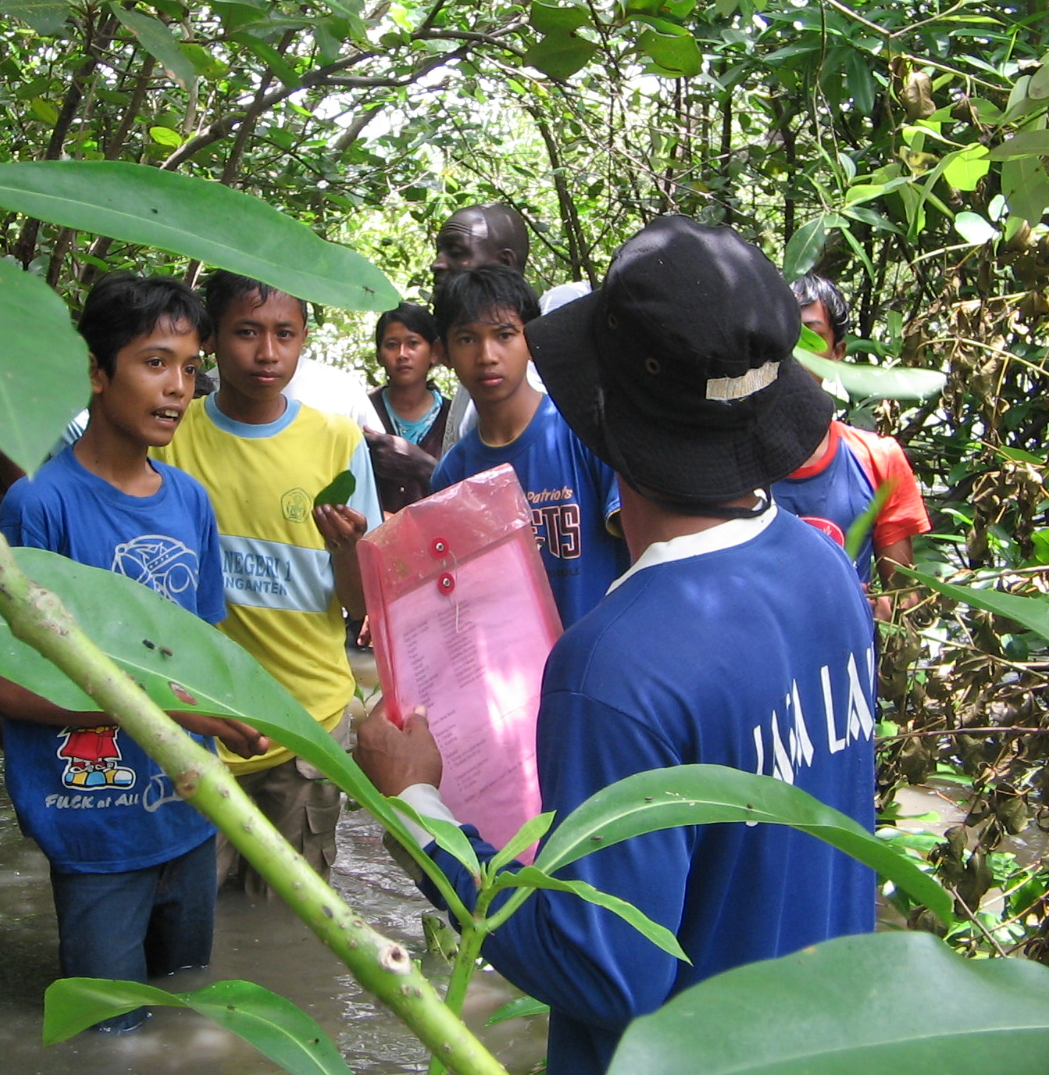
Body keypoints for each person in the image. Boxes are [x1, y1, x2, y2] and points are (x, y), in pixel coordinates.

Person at [355, 216, 879, 1075]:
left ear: (605, 422)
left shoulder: (613, 667)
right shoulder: (824, 570)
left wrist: (418, 810)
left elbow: (601, 968)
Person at [0, 275, 267, 1032]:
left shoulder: (190, 502)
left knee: (188, 1021)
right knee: (109, 1037)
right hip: (93, 825)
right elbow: (8, 691)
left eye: (188, 366)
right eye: (154, 363)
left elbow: (203, 658)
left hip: (189, 815)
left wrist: (227, 718)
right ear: (94, 371)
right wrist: (176, 712)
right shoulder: (39, 505)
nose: (178, 388)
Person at [158, 270, 381, 896]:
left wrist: (348, 548)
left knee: (292, 930)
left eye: (285, 334)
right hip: (199, 721)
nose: (267, 353)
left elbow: (361, 606)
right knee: (188, 919)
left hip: (306, 724)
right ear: (211, 340)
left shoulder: (337, 440)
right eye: (247, 333)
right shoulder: (173, 433)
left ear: (305, 339)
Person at [428, 264, 627, 628]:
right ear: (443, 352)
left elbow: (644, 550)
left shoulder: (584, 433)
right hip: (510, 676)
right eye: (467, 339)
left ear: (532, 341)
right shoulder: (453, 476)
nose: (487, 355)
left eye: (504, 335)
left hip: (599, 664)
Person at [772, 273, 931, 619]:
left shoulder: (878, 459)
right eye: (788, 336)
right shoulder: (728, 457)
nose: (797, 353)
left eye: (812, 337)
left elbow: (902, 596)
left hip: (847, 665)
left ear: (837, 352)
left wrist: (879, 607)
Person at [430, 204, 533, 449]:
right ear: (444, 354)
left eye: (455, 252)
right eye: (467, 339)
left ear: (504, 262)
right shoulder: (477, 379)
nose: (437, 264)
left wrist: (419, 466)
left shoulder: (545, 388)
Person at [369, 303, 448, 460]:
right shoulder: (365, 409)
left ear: (434, 352)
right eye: (392, 345)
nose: (402, 354)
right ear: (379, 356)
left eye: (413, 343)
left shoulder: (452, 417)